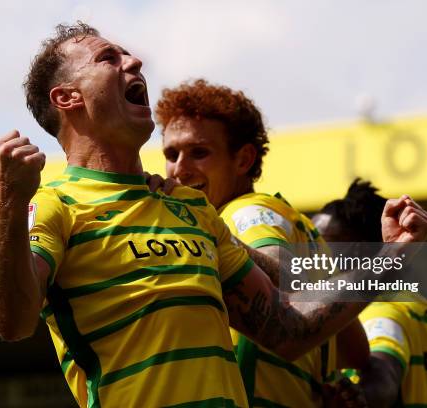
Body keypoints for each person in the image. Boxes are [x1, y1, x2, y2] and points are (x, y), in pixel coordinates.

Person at [0, 22, 427, 408]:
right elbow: (12, 321)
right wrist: (9, 200)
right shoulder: (54, 204)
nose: (134, 62)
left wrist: (390, 254)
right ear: (68, 97)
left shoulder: (191, 208)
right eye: (108, 59)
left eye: (129, 56)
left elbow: (289, 330)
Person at [156, 79, 369, 407]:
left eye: (199, 152)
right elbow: (355, 352)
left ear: (243, 160)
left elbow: (285, 273)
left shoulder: (246, 214)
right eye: (172, 154)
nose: (180, 169)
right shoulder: (302, 230)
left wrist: (212, 235)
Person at [312, 179, 427, 408]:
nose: (311, 252)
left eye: (320, 241)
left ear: (357, 249)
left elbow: (384, 376)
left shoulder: (378, 310)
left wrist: (358, 397)